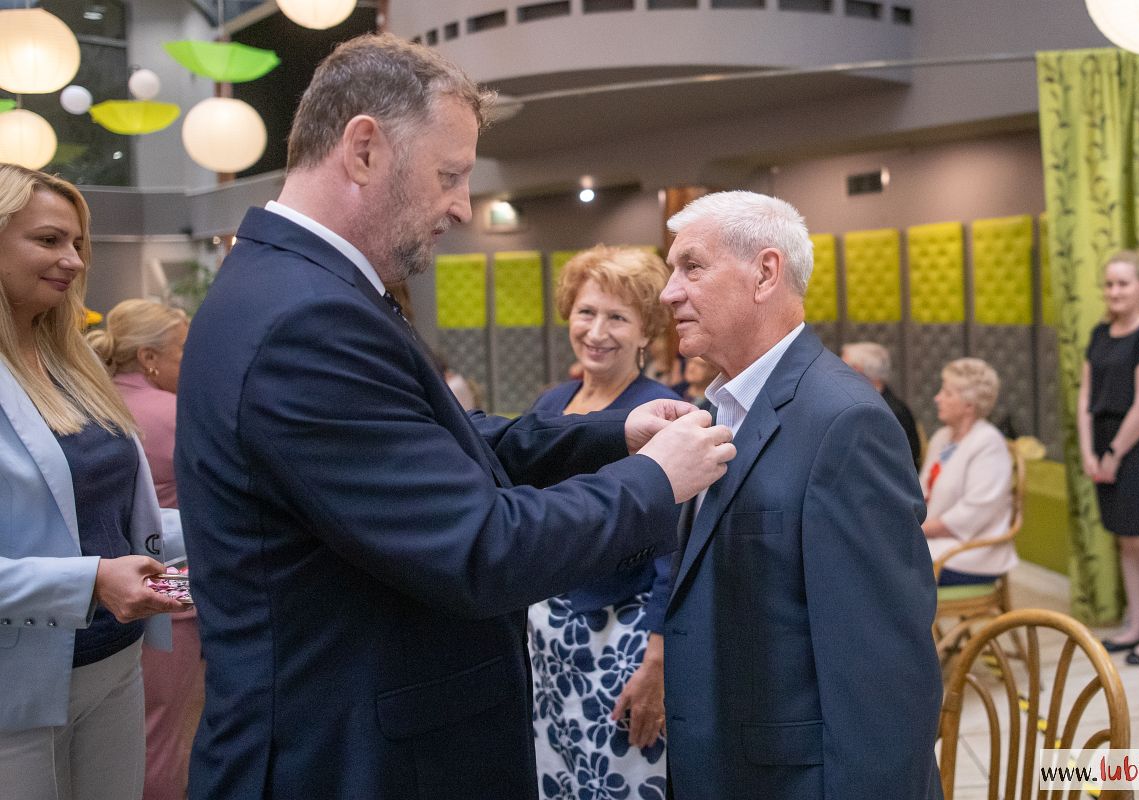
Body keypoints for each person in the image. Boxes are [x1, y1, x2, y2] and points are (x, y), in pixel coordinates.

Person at [174, 35, 734, 800]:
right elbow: (481, 549)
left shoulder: (298, 289)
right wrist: (654, 479)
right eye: (449, 175)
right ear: (364, 150)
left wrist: (615, 434)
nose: (463, 206)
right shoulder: (305, 320)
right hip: (351, 761)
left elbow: (445, 443)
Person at [658, 191, 941, 799]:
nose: (668, 292)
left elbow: (883, 674)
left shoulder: (844, 421)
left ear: (765, 273)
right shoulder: (719, 408)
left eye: (691, 267)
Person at [0, 165, 187, 800]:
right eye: (48, 240)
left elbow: (114, 519)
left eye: (78, 243)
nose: (74, 261)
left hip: (115, 659)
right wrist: (91, 581)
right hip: (18, 686)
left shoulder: (70, 362)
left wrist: (235, 527)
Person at [527, 246, 677, 799]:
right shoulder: (550, 406)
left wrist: (658, 659)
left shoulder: (662, 410)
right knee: (555, 776)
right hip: (546, 633)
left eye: (617, 317)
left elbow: (677, 548)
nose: (596, 331)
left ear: (646, 332)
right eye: (586, 312)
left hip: (627, 637)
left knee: (619, 782)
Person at [88, 300, 202, 800]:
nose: (190, 361)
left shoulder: (92, 404)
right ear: (150, 358)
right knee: (160, 738)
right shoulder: (175, 414)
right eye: (182, 350)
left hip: (101, 591)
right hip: (170, 586)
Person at [1077, 250, 1139, 666]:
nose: (1114, 291)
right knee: (1125, 540)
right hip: (1104, 443)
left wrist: (1115, 453)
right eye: (1109, 283)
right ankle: (1136, 624)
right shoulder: (1101, 332)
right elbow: (1085, 396)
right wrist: (1089, 450)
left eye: (1123, 283)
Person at [919, 358, 1017, 585]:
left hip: (970, 554)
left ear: (969, 406)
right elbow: (921, 491)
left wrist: (915, 531)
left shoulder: (988, 443)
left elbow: (973, 514)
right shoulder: (942, 437)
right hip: (933, 542)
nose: (937, 398)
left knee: (887, 568)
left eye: (947, 393)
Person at [841, 340, 922, 469]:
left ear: (857, 371)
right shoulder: (870, 405)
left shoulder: (890, 412)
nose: (838, 376)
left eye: (842, 369)